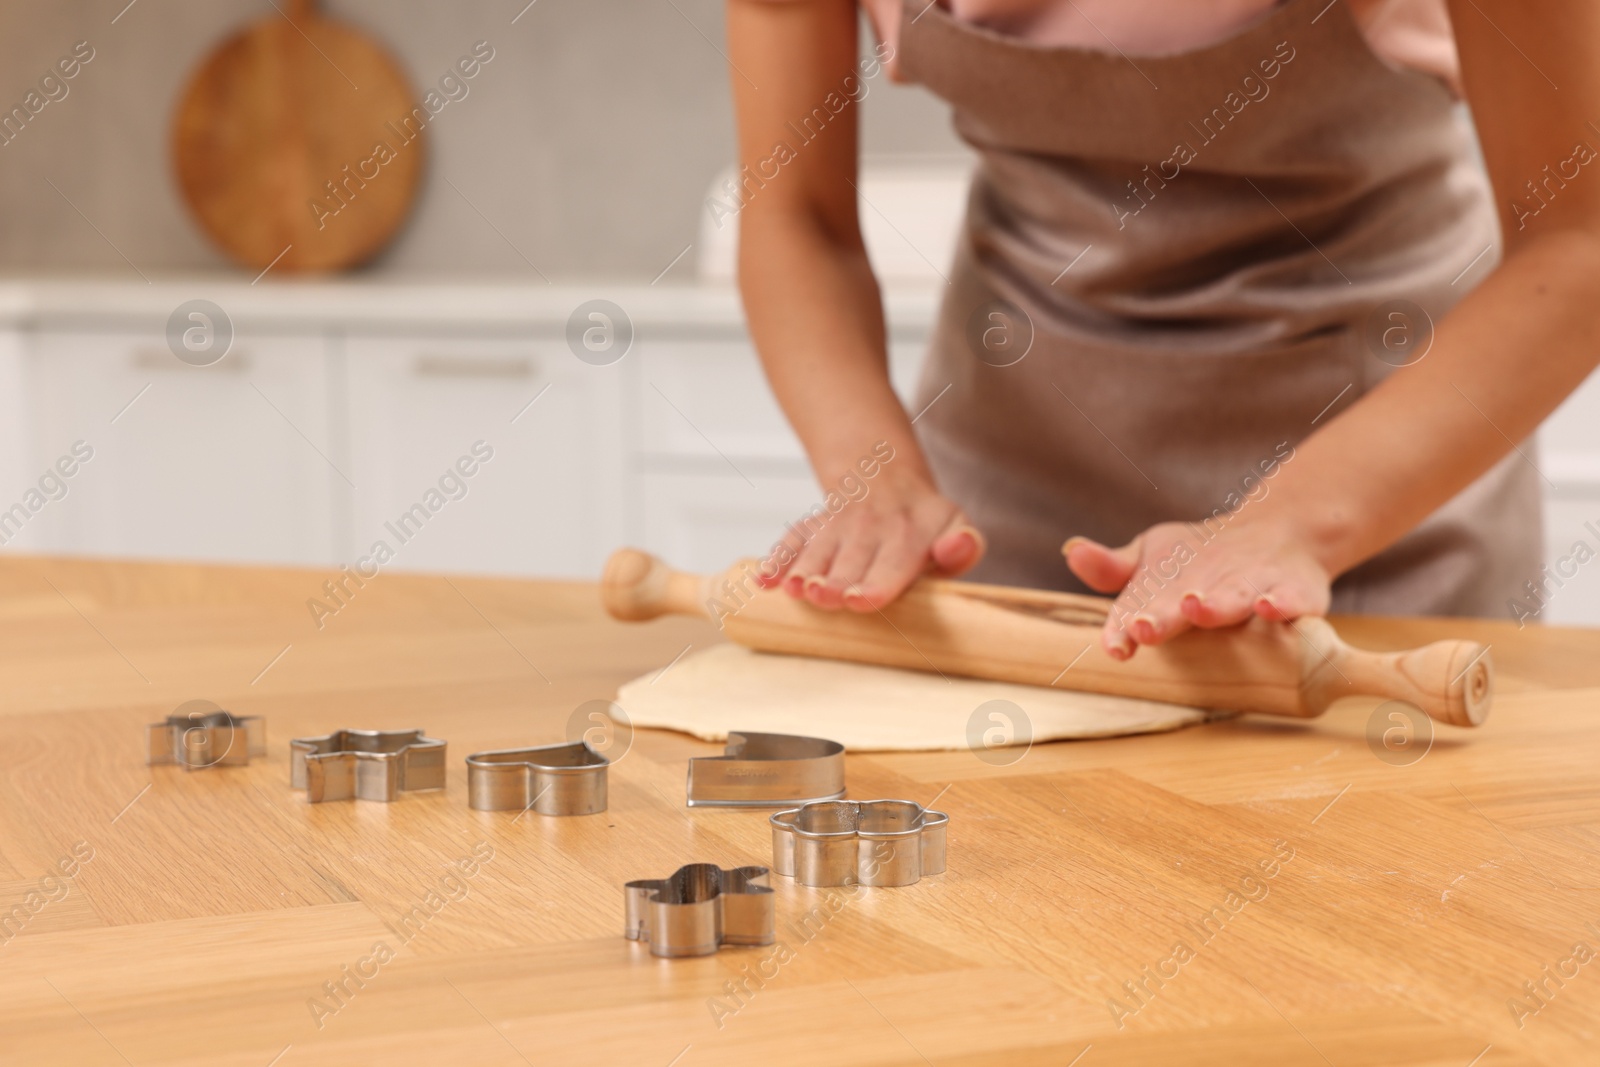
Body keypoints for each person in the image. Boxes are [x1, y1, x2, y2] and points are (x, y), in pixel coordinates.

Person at [727, 0, 1600, 657]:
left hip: (1375, 508)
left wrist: (1296, 524)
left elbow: (1579, 242)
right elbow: (796, 217)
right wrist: (871, 470)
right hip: (1002, 497)